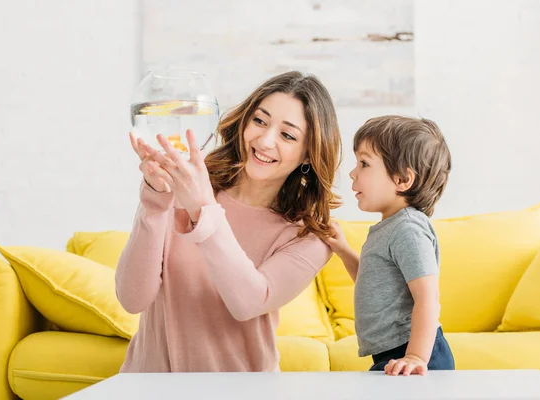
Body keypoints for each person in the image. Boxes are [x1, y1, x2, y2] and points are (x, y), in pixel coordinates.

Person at [115, 71, 342, 372]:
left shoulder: (309, 237)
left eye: (288, 135)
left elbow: (247, 302)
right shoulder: (187, 185)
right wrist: (156, 199)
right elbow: (132, 298)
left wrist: (204, 209)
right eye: (260, 121)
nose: (265, 140)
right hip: (148, 386)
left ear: (307, 155)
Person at [321, 115, 455, 376]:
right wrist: (343, 250)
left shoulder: (408, 229)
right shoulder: (390, 226)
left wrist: (416, 356)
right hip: (394, 354)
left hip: (414, 354)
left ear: (402, 180)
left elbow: (428, 298)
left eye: (364, 163)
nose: (352, 172)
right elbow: (372, 280)